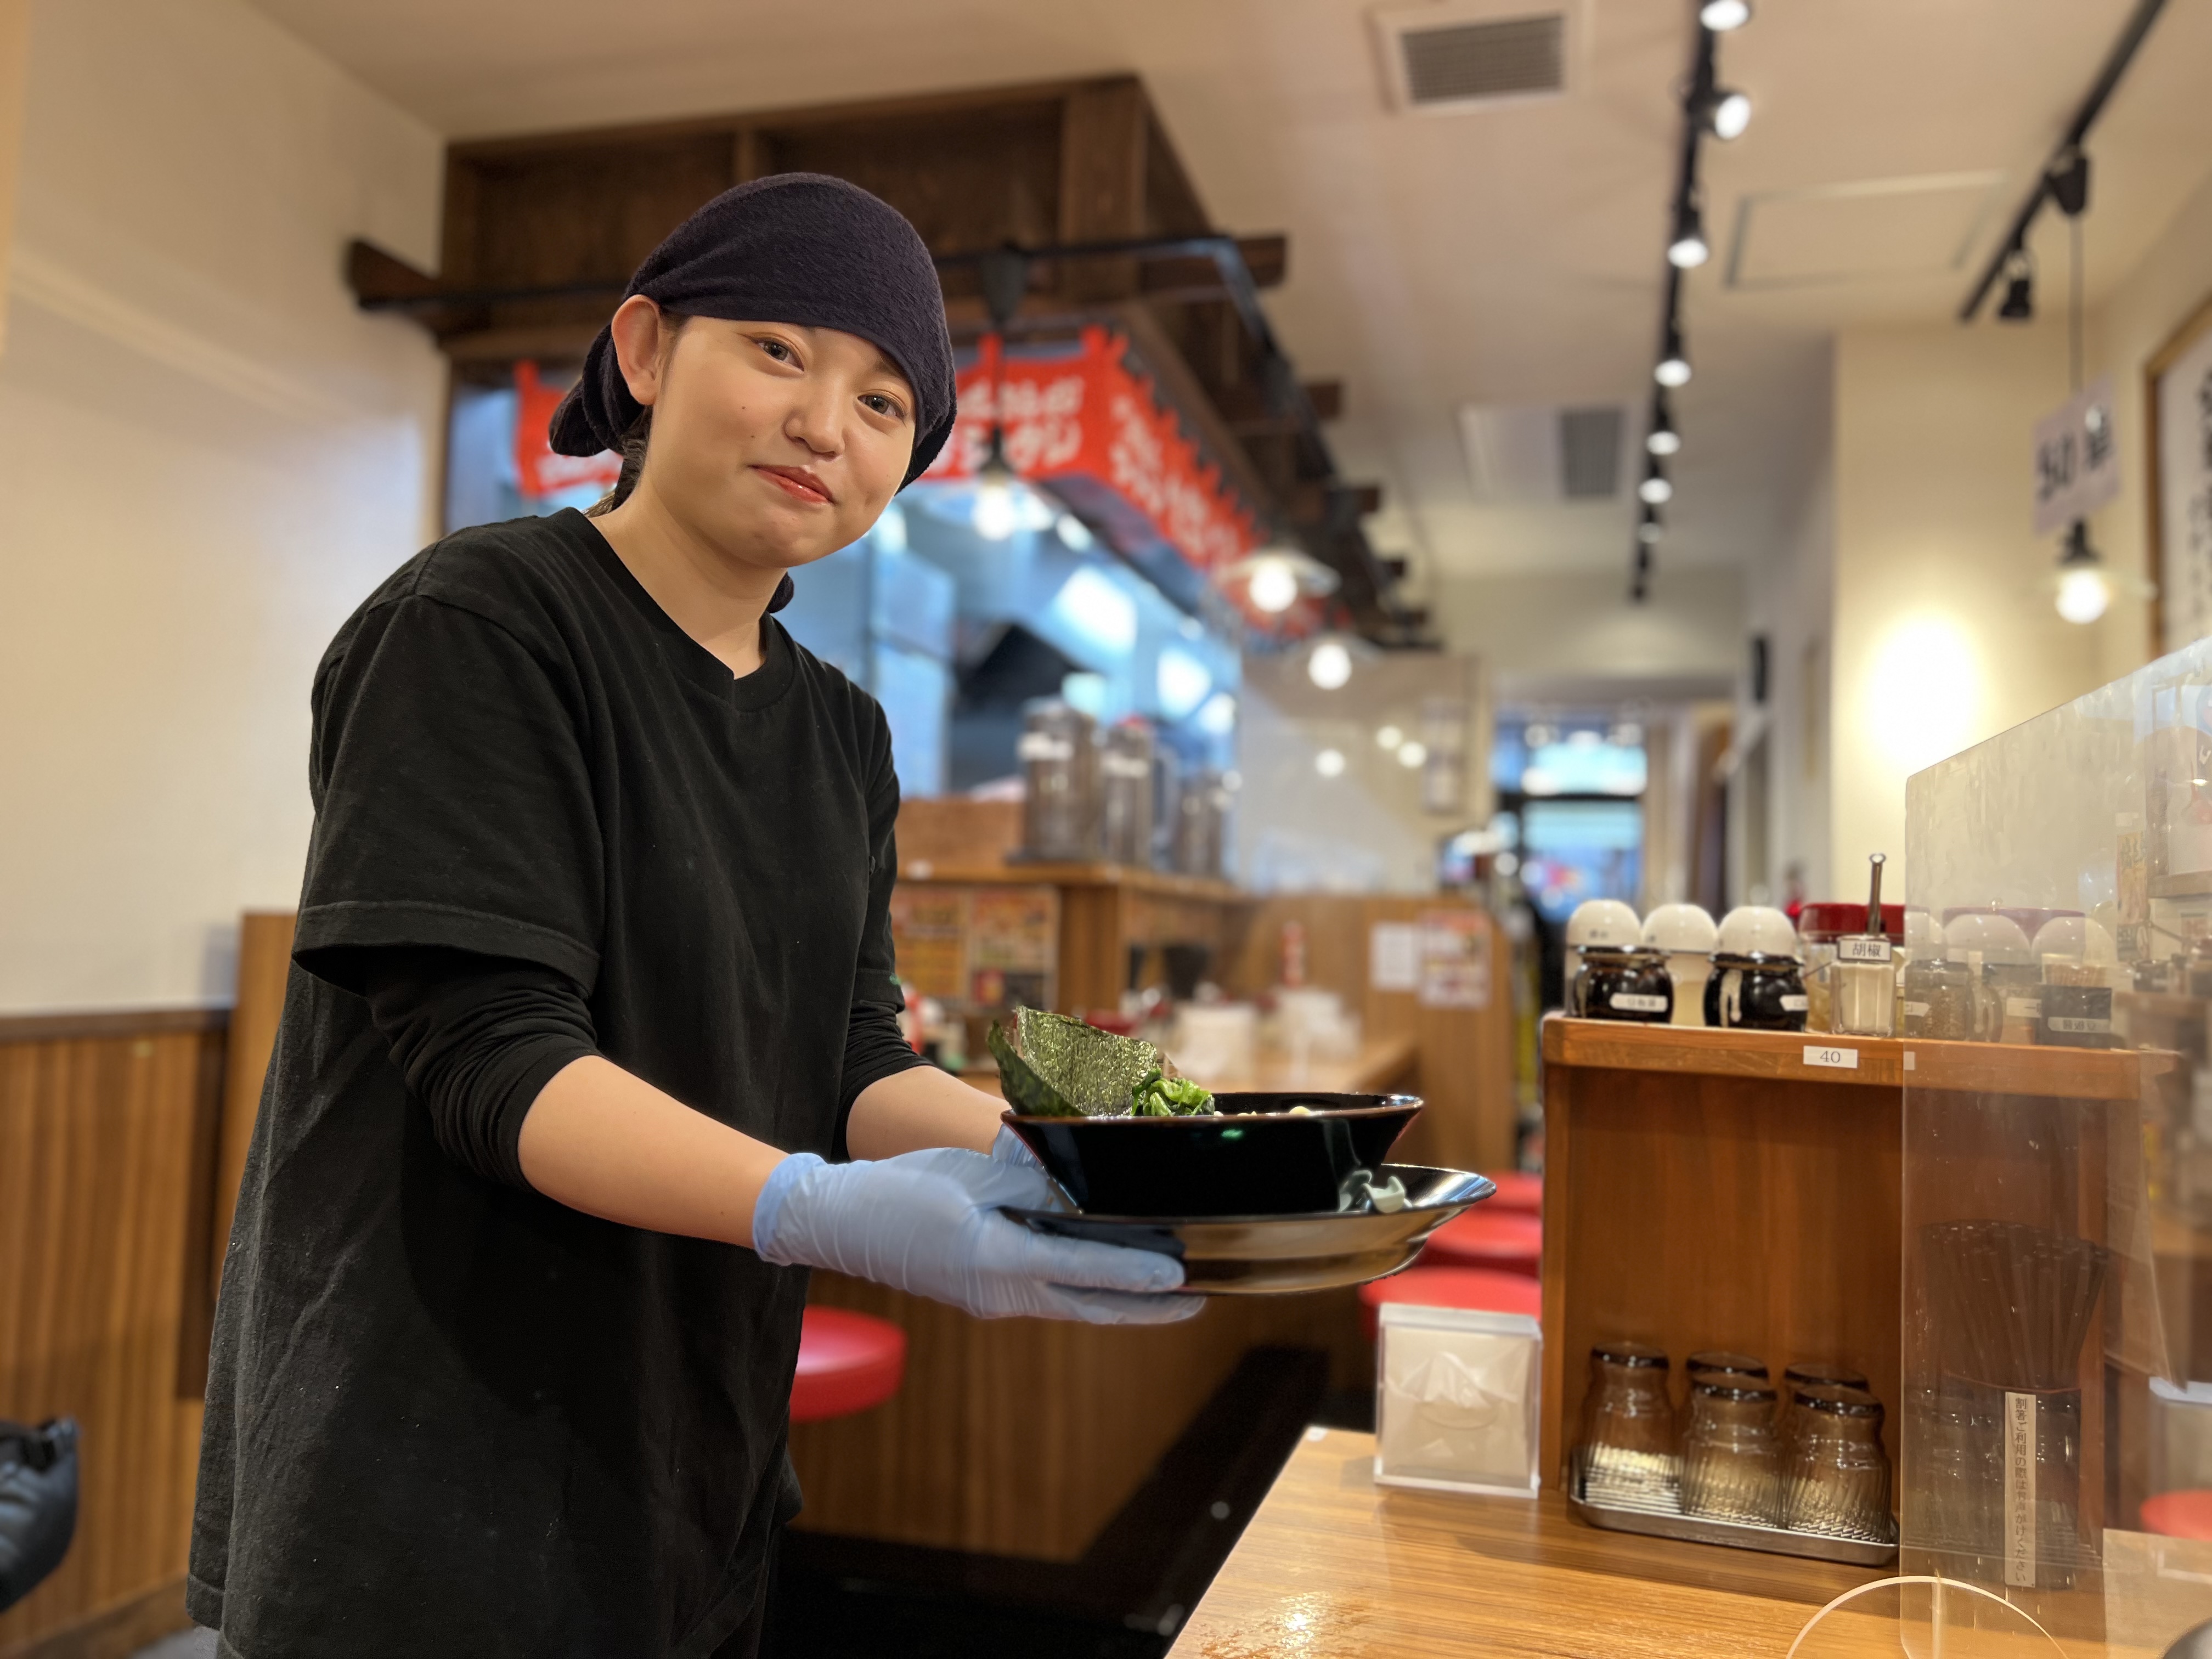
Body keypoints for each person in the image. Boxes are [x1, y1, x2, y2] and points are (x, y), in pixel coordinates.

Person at [188, 174, 1196, 1659]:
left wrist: (1084, 1160)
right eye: (781, 352)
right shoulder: (479, 622)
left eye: (883, 401)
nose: (826, 426)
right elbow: (497, 1064)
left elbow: (851, 1062)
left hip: (689, 1453)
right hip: (423, 1458)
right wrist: (815, 1208)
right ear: (648, 353)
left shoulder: (843, 734)